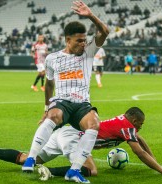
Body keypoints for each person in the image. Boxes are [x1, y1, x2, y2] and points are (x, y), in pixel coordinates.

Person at [22, 1, 109, 183]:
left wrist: (91, 15)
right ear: (67, 40)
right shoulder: (53, 58)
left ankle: (74, 171)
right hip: (62, 101)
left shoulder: (89, 51)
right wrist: (46, 108)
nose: (83, 44)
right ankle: (31, 158)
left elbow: (105, 32)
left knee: (93, 124)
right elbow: (49, 85)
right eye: (79, 40)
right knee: (52, 116)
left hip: (82, 105)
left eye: (84, 40)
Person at [0, 107, 162, 183]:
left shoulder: (124, 124)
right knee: (91, 170)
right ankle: (50, 172)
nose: (140, 128)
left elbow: (141, 142)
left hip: (64, 133)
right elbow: (139, 152)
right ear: (133, 120)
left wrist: (157, 160)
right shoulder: (127, 126)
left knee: (26, 158)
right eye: (140, 124)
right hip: (74, 138)